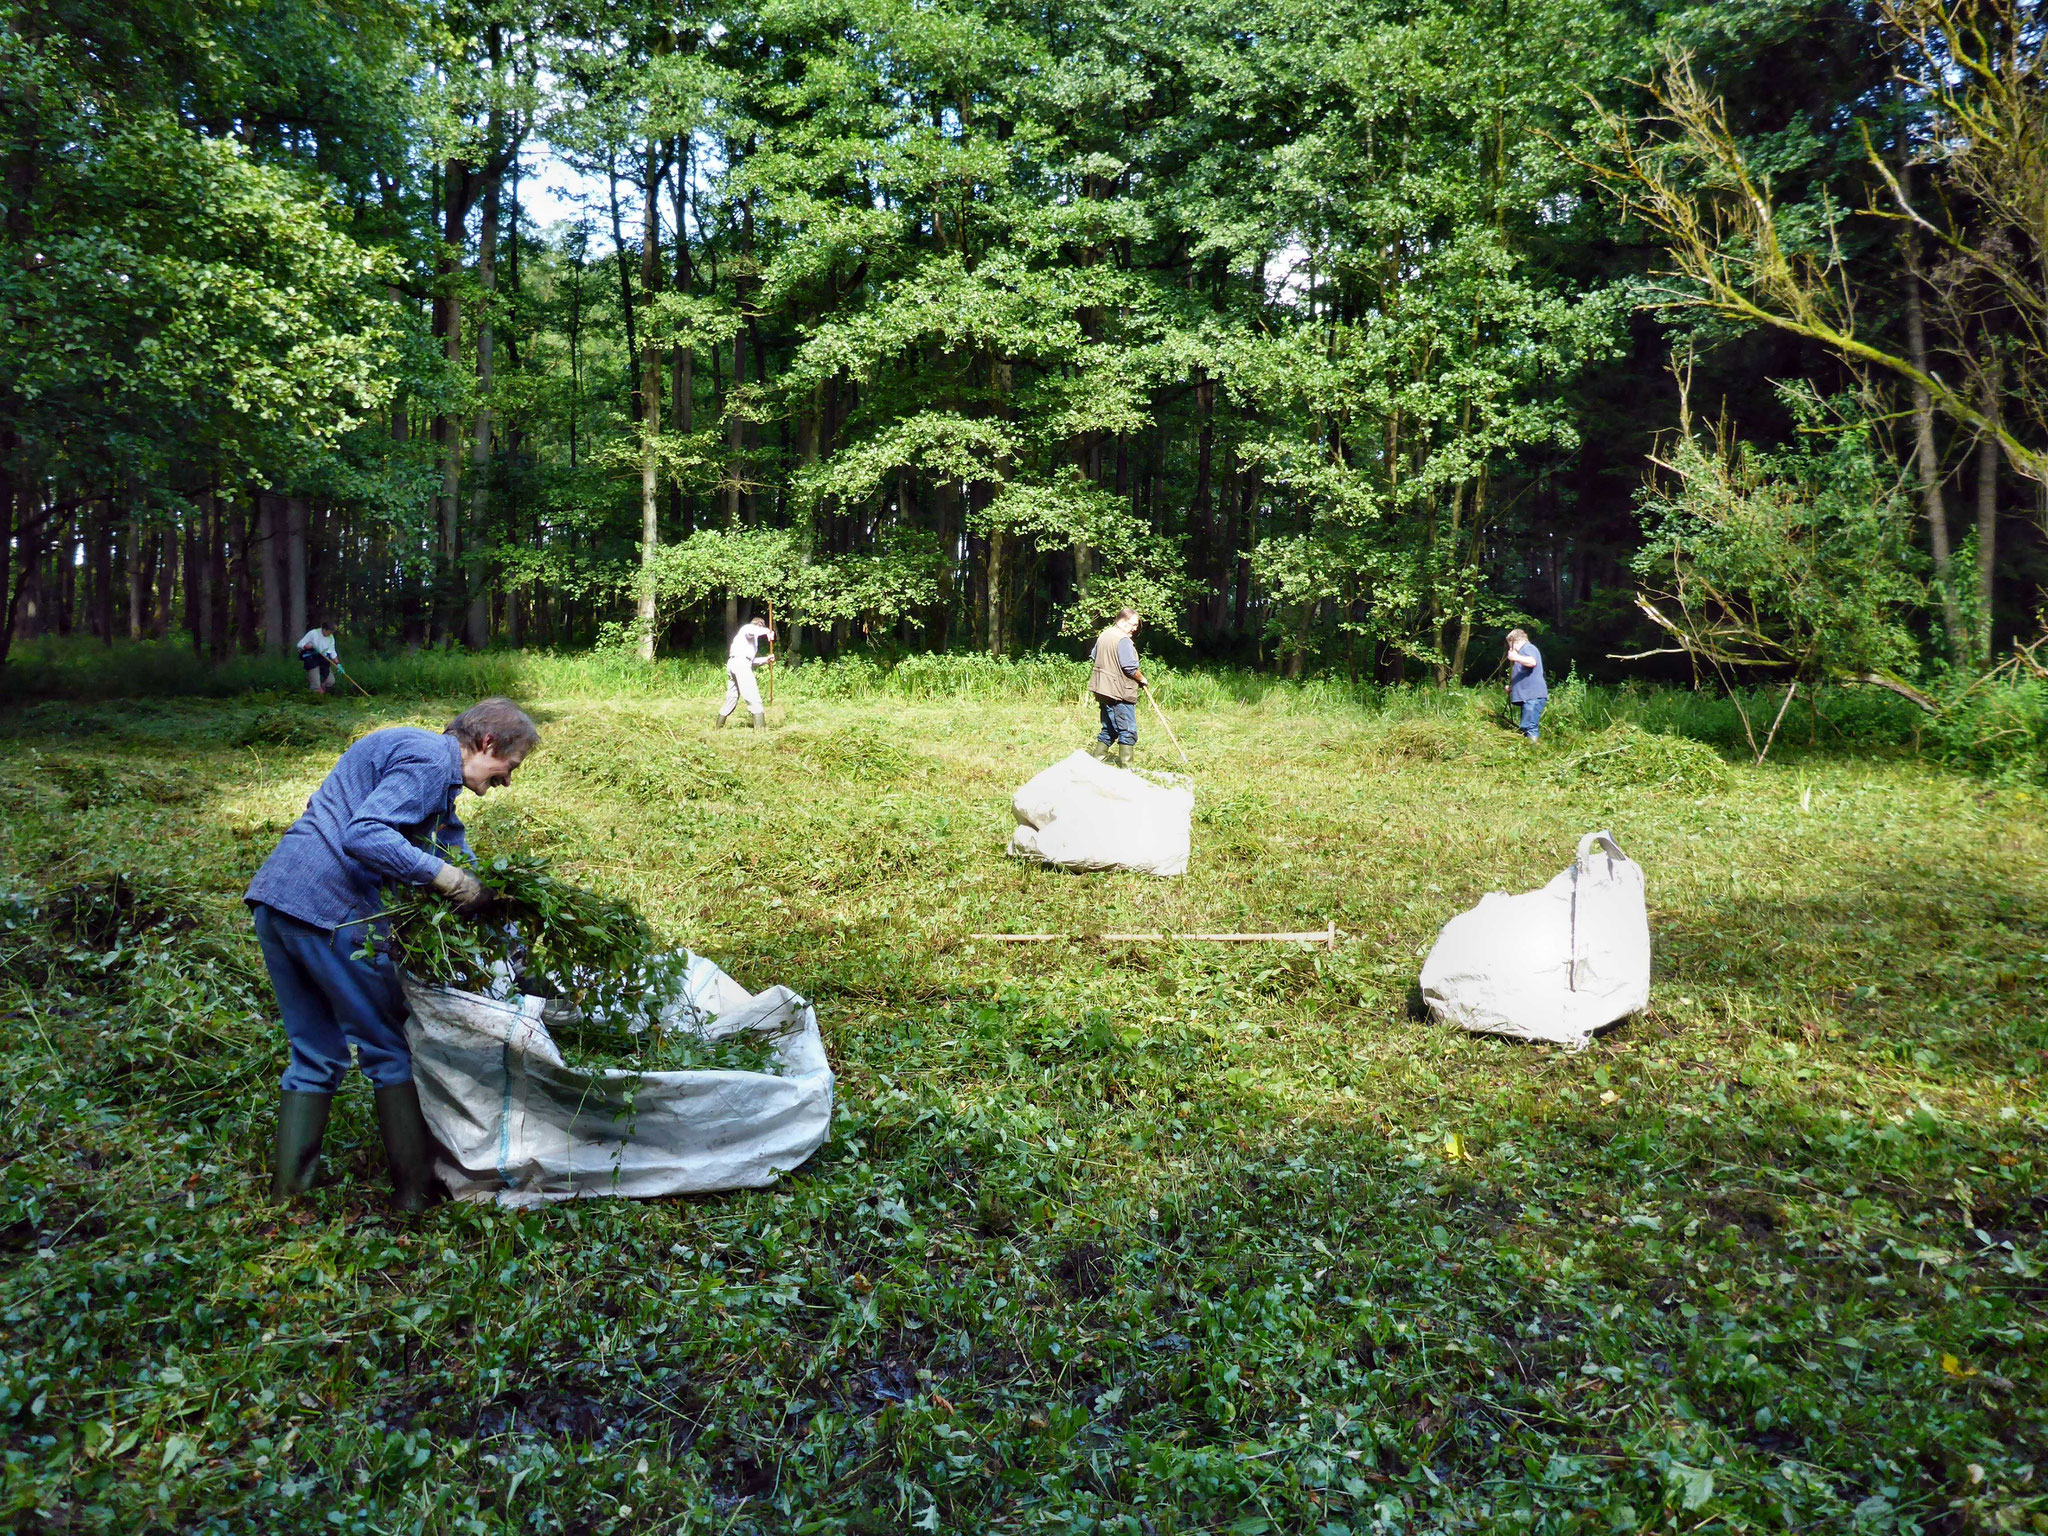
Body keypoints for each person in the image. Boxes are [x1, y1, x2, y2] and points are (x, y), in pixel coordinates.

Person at [244, 697, 540, 1210]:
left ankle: (288, 1197)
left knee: (315, 1051)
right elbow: (366, 834)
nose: (507, 781)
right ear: (486, 743)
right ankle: (414, 1195)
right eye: (507, 767)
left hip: (279, 900)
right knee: (388, 1045)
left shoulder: (423, 763)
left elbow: (452, 850)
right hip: (330, 911)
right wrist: (446, 879)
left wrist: (497, 907)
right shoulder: (429, 760)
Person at [1087, 607, 1146, 769]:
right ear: (1122, 620)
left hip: (1102, 689)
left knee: (1110, 728)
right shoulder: (1123, 640)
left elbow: (1094, 656)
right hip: (1120, 692)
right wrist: (1142, 679)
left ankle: (1094, 763)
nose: (1135, 628)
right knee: (1127, 730)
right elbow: (1130, 668)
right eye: (1133, 624)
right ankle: (1127, 769)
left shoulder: (1104, 635)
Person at [716, 615, 776, 729]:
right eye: (760, 627)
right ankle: (761, 732)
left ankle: (717, 729)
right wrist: (768, 631)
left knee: (732, 698)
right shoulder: (747, 629)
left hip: (736, 664)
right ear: (758, 625)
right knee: (753, 697)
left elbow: (750, 660)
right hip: (740, 665)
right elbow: (752, 631)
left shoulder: (749, 641)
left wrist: (766, 659)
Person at [1506, 628, 1548, 741]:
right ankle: (1530, 750)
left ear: (1515, 641)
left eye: (1511, 645)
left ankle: (1533, 753)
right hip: (1529, 696)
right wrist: (1512, 687)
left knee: (1529, 727)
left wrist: (1515, 657)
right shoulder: (1523, 653)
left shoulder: (1528, 648)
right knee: (1526, 726)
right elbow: (1525, 674)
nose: (1511, 649)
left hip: (1533, 696)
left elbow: (1532, 662)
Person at [297, 623, 340, 694]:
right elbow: (300, 644)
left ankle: (321, 690)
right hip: (311, 659)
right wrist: (309, 647)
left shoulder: (331, 637)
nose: (330, 634)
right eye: (329, 632)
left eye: (331, 633)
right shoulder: (313, 633)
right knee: (315, 685)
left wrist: (338, 664)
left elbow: (332, 651)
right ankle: (316, 697)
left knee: (330, 681)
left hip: (323, 659)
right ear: (324, 629)